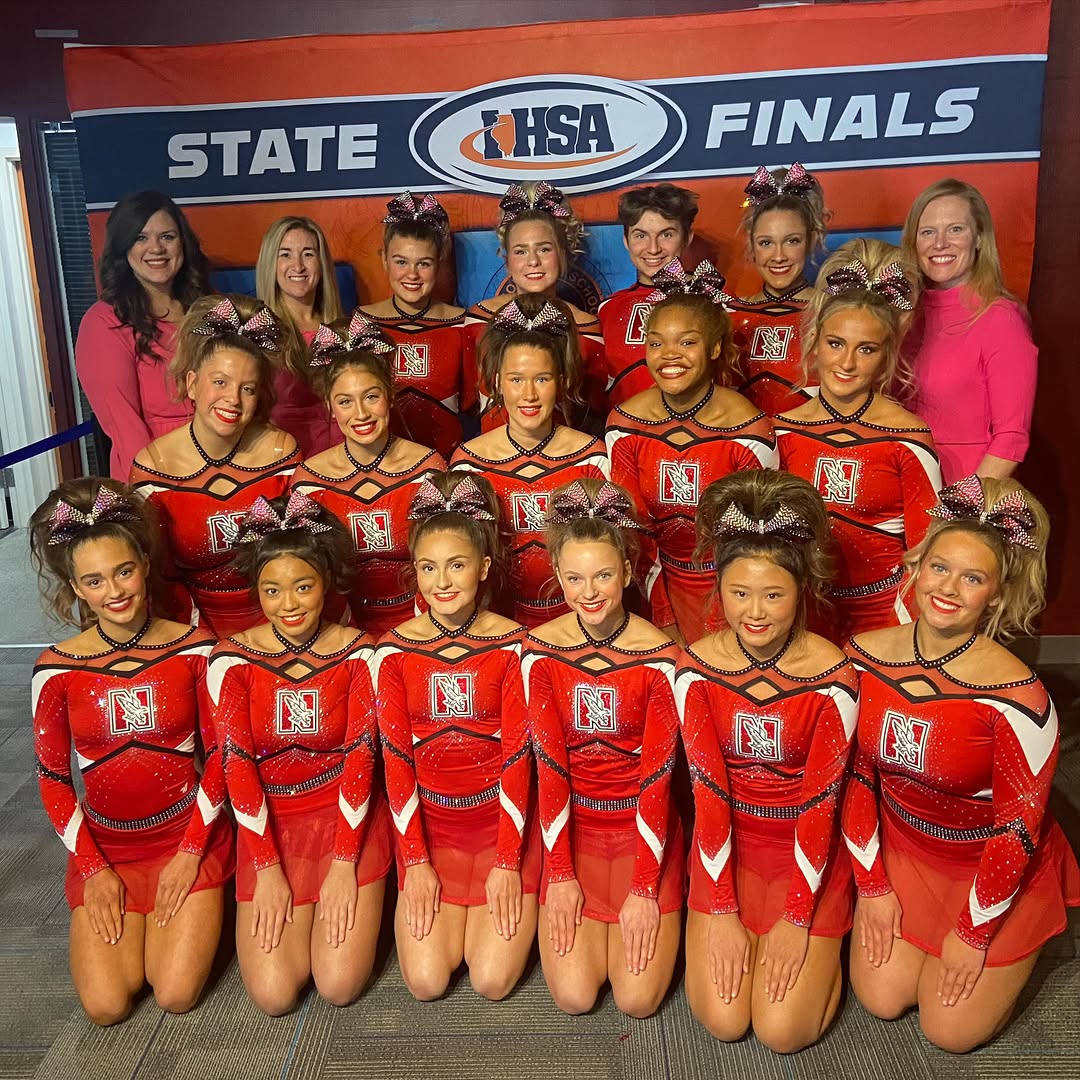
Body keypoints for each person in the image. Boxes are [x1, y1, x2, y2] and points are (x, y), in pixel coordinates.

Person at [842, 475, 1080, 1052]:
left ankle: (1026, 936)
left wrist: (973, 934)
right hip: (903, 850)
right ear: (917, 568)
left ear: (995, 595)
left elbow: (1015, 830)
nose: (948, 588)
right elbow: (854, 778)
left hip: (989, 864)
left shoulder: (1020, 699)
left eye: (972, 578)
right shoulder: (863, 656)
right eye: (939, 568)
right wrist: (873, 889)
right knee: (882, 997)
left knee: (948, 1033)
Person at [29, 479, 233, 1025]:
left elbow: (221, 757)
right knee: (106, 1004)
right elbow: (52, 778)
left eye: (123, 571)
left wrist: (192, 851)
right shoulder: (57, 669)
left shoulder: (193, 648)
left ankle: (218, 897)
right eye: (94, 581)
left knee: (174, 992)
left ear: (144, 563)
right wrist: (93, 868)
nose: (114, 591)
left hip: (188, 836)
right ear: (75, 587)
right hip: (108, 846)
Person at [676, 470, 858, 1053]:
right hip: (725, 845)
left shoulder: (834, 678)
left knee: (781, 1033)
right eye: (739, 593)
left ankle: (833, 956)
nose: (754, 612)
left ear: (802, 591)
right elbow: (709, 794)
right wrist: (721, 910)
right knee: (725, 1021)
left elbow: (820, 804)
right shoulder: (697, 667)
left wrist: (797, 918)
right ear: (719, 589)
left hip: (807, 850)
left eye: (773, 594)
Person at [209, 491, 391, 1014]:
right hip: (271, 825)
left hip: (345, 821)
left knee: (337, 985)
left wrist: (342, 863)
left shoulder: (361, 652)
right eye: (272, 590)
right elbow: (236, 766)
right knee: (273, 996)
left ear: (327, 582)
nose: (288, 604)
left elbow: (362, 757)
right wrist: (265, 867)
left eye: (303, 586)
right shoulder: (232, 659)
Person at [373, 471, 538, 1001]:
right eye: (428, 567)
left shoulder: (516, 646)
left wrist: (507, 862)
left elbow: (519, 758)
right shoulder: (393, 652)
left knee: (491, 981)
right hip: (434, 832)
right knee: (425, 982)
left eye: (457, 565)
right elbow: (397, 764)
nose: (442, 581)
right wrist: (415, 864)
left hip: (499, 828)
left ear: (484, 568)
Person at [525, 478, 683, 1018]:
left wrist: (645, 886)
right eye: (573, 578)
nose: (588, 592)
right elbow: (550, 770)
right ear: (557, 578)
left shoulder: (661, 654)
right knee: (575, 997)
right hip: (577, 831)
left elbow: (657, 777)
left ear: (628, 571)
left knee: (638, 1000)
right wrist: (561, 873)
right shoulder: (541, 651)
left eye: (602, 576)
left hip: (644, 832)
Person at [776, 239, 942, 642]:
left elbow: (929, 553)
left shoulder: (909, 437)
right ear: (814, 341)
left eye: (865, 349)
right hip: (802, 615)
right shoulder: (782, 432)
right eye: (836, 344)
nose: (847, 363)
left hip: (889, 616)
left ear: (886, 355)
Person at [607, 261, 778, 643]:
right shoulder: (626, 424)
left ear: (714, 346)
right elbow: (633, 534)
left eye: (687, 342)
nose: (670, 355)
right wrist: (665, 621)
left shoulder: (748, 429)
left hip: (734, 593)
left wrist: (731, 623)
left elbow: (758, 541)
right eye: (656, 343)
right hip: (654, 587)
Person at [130, 295, 299, 637]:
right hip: (190, 630)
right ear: (192, 384)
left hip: (281, 623)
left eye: (247, 388)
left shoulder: (281, 452)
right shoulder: (153, 468)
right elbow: (153, 581)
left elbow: (302, 556)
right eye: (220, 382)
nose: (233, 400)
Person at [451, 296, 609, 627]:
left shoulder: (593, 459)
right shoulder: (470, 464)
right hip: (498, 625)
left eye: (542, 378)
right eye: (516, 379)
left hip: (581, 622)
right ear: (496, 382)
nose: (529, 395)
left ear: (562, 381)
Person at [292, 312, 446, 635]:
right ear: (329, 405)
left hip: (423, 628)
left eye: (371, 397)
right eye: (345, 401)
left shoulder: (428, 471)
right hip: (340, 634)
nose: (361, 414)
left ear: (390, 394)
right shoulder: (308, 482)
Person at [900, 179, 1038, 483]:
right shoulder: (902, 315)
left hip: (966, 501)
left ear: (979, 238)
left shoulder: (1001, 318)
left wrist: (959, 512)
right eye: (927, 232)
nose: (940, 243)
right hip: (901, 496)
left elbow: (1011, 439)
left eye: (955, 229)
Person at [75, 191, 211, 479]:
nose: (156, 248)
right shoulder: (104, 323)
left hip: (224, 473)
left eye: (167, 237)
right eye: (141, 238)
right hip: (157, 478)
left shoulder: (208, 308)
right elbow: (126, 429)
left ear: (182, 243)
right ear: (123, 248)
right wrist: (161, 488)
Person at [464, 181, 605, 430]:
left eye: (544, 249)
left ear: (563, 253)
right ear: (506, 260)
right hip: (492, 459)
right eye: (520, 251)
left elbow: (593, 412)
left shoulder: (588, 327)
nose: (533, 261)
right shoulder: (478, 320)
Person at [360, 192, 467, 460]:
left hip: (445, 471)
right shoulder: (360, 324)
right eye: (401, 262)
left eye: (424, 264)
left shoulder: (464, 324)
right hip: (380, 468)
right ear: (383, 258)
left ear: (440, 261)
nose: (412, 275)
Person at [728, 163, 828, 416]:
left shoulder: (832, 311)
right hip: (743, 451)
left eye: (792, 241)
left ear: (813, 238)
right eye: (766, 243)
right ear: (751, 243)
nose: (778, 256)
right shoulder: (727, 313)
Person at [598, 184, 699, 406]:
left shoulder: (714, 298)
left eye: (667, 234)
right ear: (625, 240)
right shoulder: (607, 309)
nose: (653, 248)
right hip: (625, 436)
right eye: (640, 235)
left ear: (687, 237)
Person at [255, 215, 343, 457]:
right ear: (270, 263)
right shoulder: (258, 332)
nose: (298, 266)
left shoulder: (343, 329)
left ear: (322, 262)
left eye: (308, 254)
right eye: (285, 254)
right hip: (282, 456)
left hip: (341, 455)